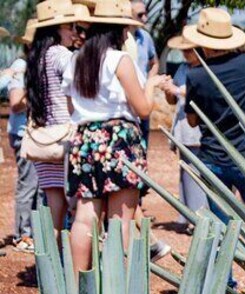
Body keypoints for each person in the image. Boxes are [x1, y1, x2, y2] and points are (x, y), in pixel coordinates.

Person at [62, 0, 165, 272]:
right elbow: (143, 108)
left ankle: (76, 288)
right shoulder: (120, 60)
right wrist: (153, 85)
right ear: (118, 30)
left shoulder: (76, 59)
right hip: (119, 138)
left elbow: (72, 107)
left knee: (84, 217)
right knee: (122, 219)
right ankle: (116, 292)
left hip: (84, 139)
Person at [182, 8, 245, 239]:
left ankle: (226, 276)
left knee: (221, 225)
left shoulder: (196, 76)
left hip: (214, 159)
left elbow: (193, 121)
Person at [26, 0, 87, 240]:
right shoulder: (61, 54)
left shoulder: (35, 57)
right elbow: (78, 81)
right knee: (77, 211)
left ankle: (50, 268)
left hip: (44, 140)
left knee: (54, 210)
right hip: (66, 137)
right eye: (69, 27)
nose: (74, 32)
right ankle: (72, 270)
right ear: (55, 29)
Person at [162, 34, 208, 233]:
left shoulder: (205, 70)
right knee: (185, 172)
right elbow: (174, 101)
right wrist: (168, 90)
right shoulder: (182, 68)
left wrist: (178, 90)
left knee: (196, 174)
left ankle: (198, 217)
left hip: (197, 127)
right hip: (182, 125)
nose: (186, 53)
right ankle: (186, 213)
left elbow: (198, 93)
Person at [5, 21, 39, 252]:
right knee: (28, 184)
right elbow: (16, 103)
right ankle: (22, 234)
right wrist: (40, 92)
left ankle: (32, 232)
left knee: (38, 184)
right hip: (22, 133)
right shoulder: (21, 65)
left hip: (34, 133)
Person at [131, 0, 157, 142]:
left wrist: (149, 82)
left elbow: (154, 63)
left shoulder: (146, 38)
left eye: (146, 14)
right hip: (125, 100)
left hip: (143, 96)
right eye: (140, 15)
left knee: (144, 140)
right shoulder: (116, 38)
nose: (145, 19)